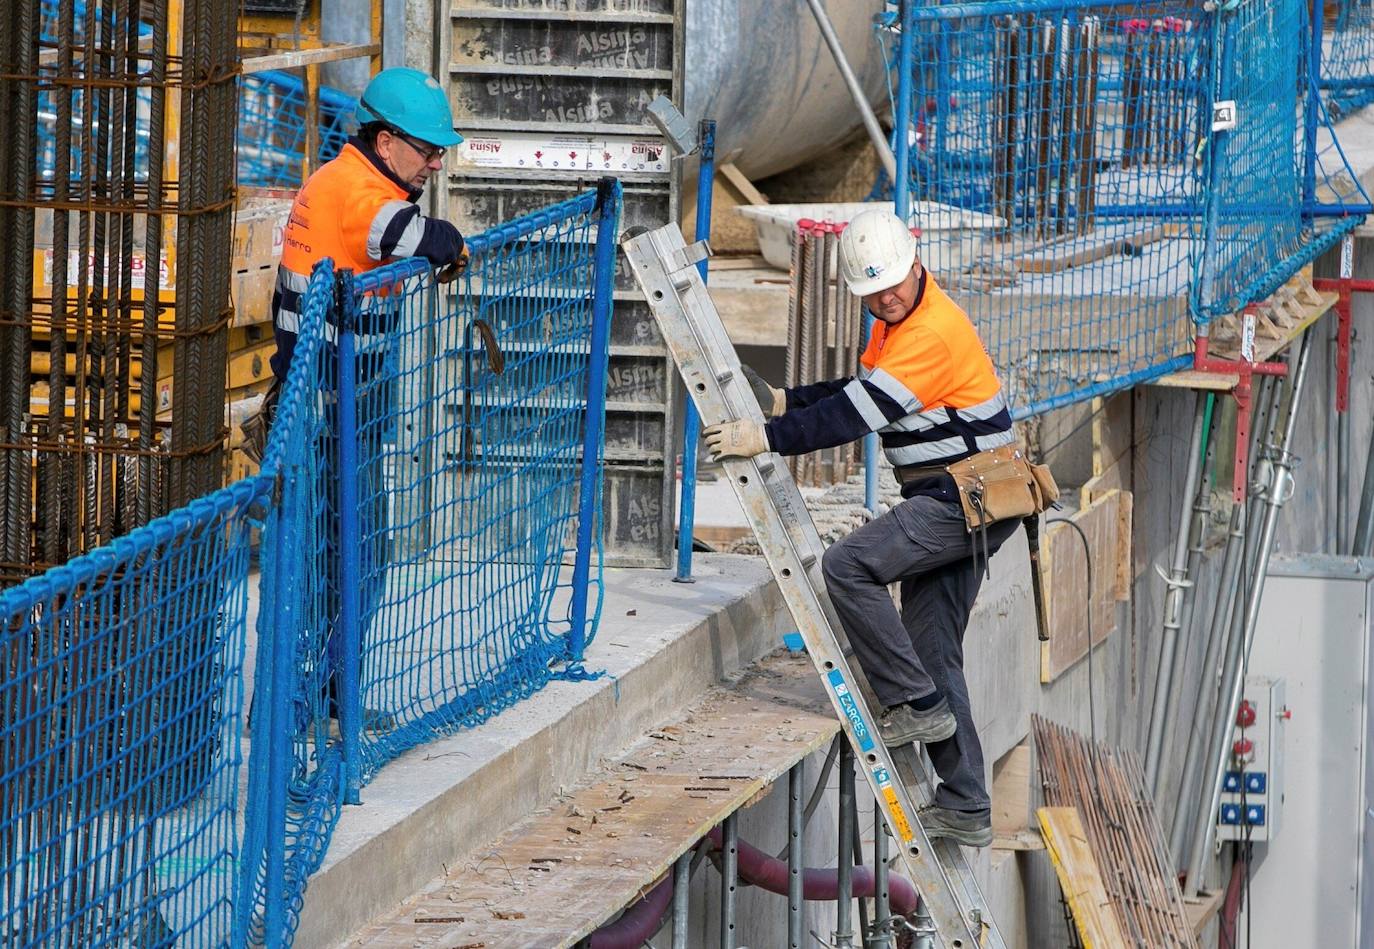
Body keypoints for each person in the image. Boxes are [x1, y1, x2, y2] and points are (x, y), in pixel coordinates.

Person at [702, 208, 1018, 847]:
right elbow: (857, 390)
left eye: (893, 284)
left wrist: (761, 437)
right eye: (873, 291)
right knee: (933, 651)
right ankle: (966, 802)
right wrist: (792, 401)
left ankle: (916, 707)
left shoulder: (929, 332)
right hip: (970, 500)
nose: (886, 297)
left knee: (848, 566)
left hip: (963, 501)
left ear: (915, 263)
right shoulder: (897, 323)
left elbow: (853, 420)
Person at [259, 67, 469, 731]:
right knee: (346, 563)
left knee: (341, 561)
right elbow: (414, 237)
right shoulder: (358, 194)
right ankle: (299, 706)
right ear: (384, 141)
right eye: (427, 149)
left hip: (334, 400)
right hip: (327, 408)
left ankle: (318, 700)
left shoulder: (354, 179)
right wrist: (451, 243)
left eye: (441, 151)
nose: (437, 162)